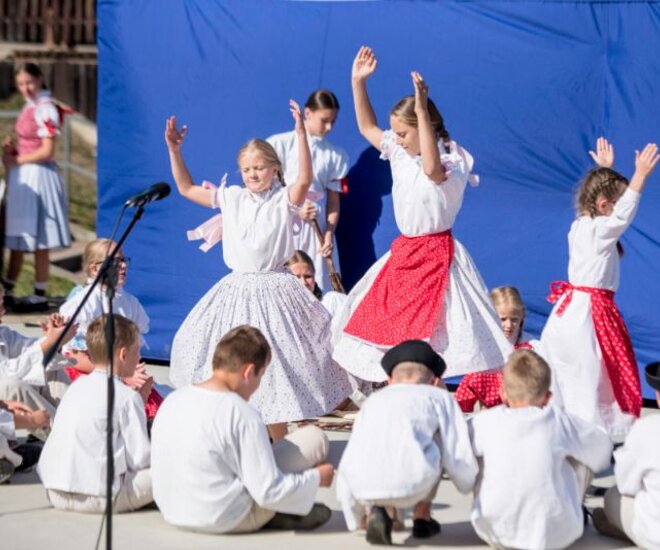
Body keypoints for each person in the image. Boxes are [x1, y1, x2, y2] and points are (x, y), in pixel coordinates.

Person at [166, 101, 351, 441]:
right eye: (247, 168)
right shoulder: (232, 197)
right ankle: (231, 440)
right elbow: (186, 188)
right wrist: (175, 151)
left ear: (275, 169)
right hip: (236, 291)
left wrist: (300, 134)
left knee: (276, 372)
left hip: (275, 291)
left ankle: (280, 447)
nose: (253, 174)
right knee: (224, 361)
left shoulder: (284, 200)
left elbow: (305, 178)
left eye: (261, 167)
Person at [332, 46, 512, 383]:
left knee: (435, 338)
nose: (396, 140)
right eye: (396, 133)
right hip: (406, 254)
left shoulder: (453, 160)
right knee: (388, 330)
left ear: (424, 126)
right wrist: (358, 83)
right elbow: (367, 127)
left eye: (403, 133)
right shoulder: (400, 154)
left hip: (438, 258)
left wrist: (422, 111)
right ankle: (396, 391)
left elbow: (432, 169)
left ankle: (428, 396)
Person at [152, 325, 334, 533]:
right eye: (260, 376)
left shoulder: (173, 399)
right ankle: (276, 513)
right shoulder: (242, 413)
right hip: (226, 516)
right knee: (315, 440)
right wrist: (316, 478)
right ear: (249, 372)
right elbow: (267, 491)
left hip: (172, 510)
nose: (258, 386)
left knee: (309, 440)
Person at [540, 138, 659, 436]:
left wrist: (603, 171)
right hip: (588, 316)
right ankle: (589, 432)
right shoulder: (600, 229)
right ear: (605, 206)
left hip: (568, 313)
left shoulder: (581, 224)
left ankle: (565, 425)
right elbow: (620, 216)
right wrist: (639, 176)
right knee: (594, 373)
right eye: (613, 204)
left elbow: (600, 202)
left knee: (576, 373)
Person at [336, 340, 477, 545]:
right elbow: (455, 447)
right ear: (435, 381)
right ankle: (422, 517)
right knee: (433, 439)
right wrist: (467, 483)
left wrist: (352, 509)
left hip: (362, 487)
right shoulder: (438, 397)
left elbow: (353, 451)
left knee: (379, 441)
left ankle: (376, 510)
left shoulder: (374, 401)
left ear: (390, 379)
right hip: (415, 481)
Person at [469, 349, 612, 549]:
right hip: (556, 535)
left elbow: (456, 451)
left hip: (494, 531)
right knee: (582, 451)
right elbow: (602, 451)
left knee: (477, 452)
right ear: (548, 397)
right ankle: (571, 506)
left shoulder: (484, 421)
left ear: (502, 393)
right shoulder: (560, 421)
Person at [37, 315, 152, 513]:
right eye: (137, 351)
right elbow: (140, 460)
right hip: (100, 497)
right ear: (123, 354)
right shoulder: (126, 396)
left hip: (55, 492)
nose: (139, 356)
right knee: (169, 467)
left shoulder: (75, 387)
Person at [59, 238, 159, 421]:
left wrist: (132, 370)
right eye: (114, 262)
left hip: (119, 373)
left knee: (154, 405)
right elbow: (73, 357)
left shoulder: (129, 303)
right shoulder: (84, 304)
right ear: (95, 268)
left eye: (123, 260)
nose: (122, 266)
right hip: (88, 374)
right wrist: (123, 375)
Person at [2, 62, 71, 309]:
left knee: (40, 236)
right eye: (21, 84)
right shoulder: (31, 107)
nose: (26, 88)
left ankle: (39, 292)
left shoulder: (46, 108)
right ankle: (8, 287)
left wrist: (17, 159)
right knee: (18, 233)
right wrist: (13, 151)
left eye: (29, 82)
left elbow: (48, 150)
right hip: (24, 176)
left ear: (40, 79)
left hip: (39, 175)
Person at [268, 89, 349, 292]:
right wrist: (295, 210)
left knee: (317, 287)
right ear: (307, 113)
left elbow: (333, 202)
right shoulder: (278, 144)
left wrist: (329, 233)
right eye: (324, 120)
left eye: (333, 121)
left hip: (317, 233)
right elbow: (265, 192)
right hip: (284, 228)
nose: (329, 127)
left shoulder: (336, 155)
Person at [592, 362, 660, 548]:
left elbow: (625, 484)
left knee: (613, 496)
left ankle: (622, 528)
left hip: (656, 535)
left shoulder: (647, 428)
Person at [454, 286, 539, 413]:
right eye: (503, 319)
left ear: (522, 316)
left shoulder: (532, 345)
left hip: (523, 406)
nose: (509, 325)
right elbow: (468, 385)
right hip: (492, 409)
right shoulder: (485, 345)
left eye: (514, 319)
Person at [0, 282, 73, 427]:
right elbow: (6, 373)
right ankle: (63, 436)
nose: (3, 311)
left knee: (50, 367)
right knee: (12, 385)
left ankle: (77, 420)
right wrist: (49, 342)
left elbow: (28, 348)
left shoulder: (3, 333)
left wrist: (53, 339)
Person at [285, 249, 346, 317]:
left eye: (308, 276)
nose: (303, 283)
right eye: (296, 278)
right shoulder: (279, 310)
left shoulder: (333, 300)